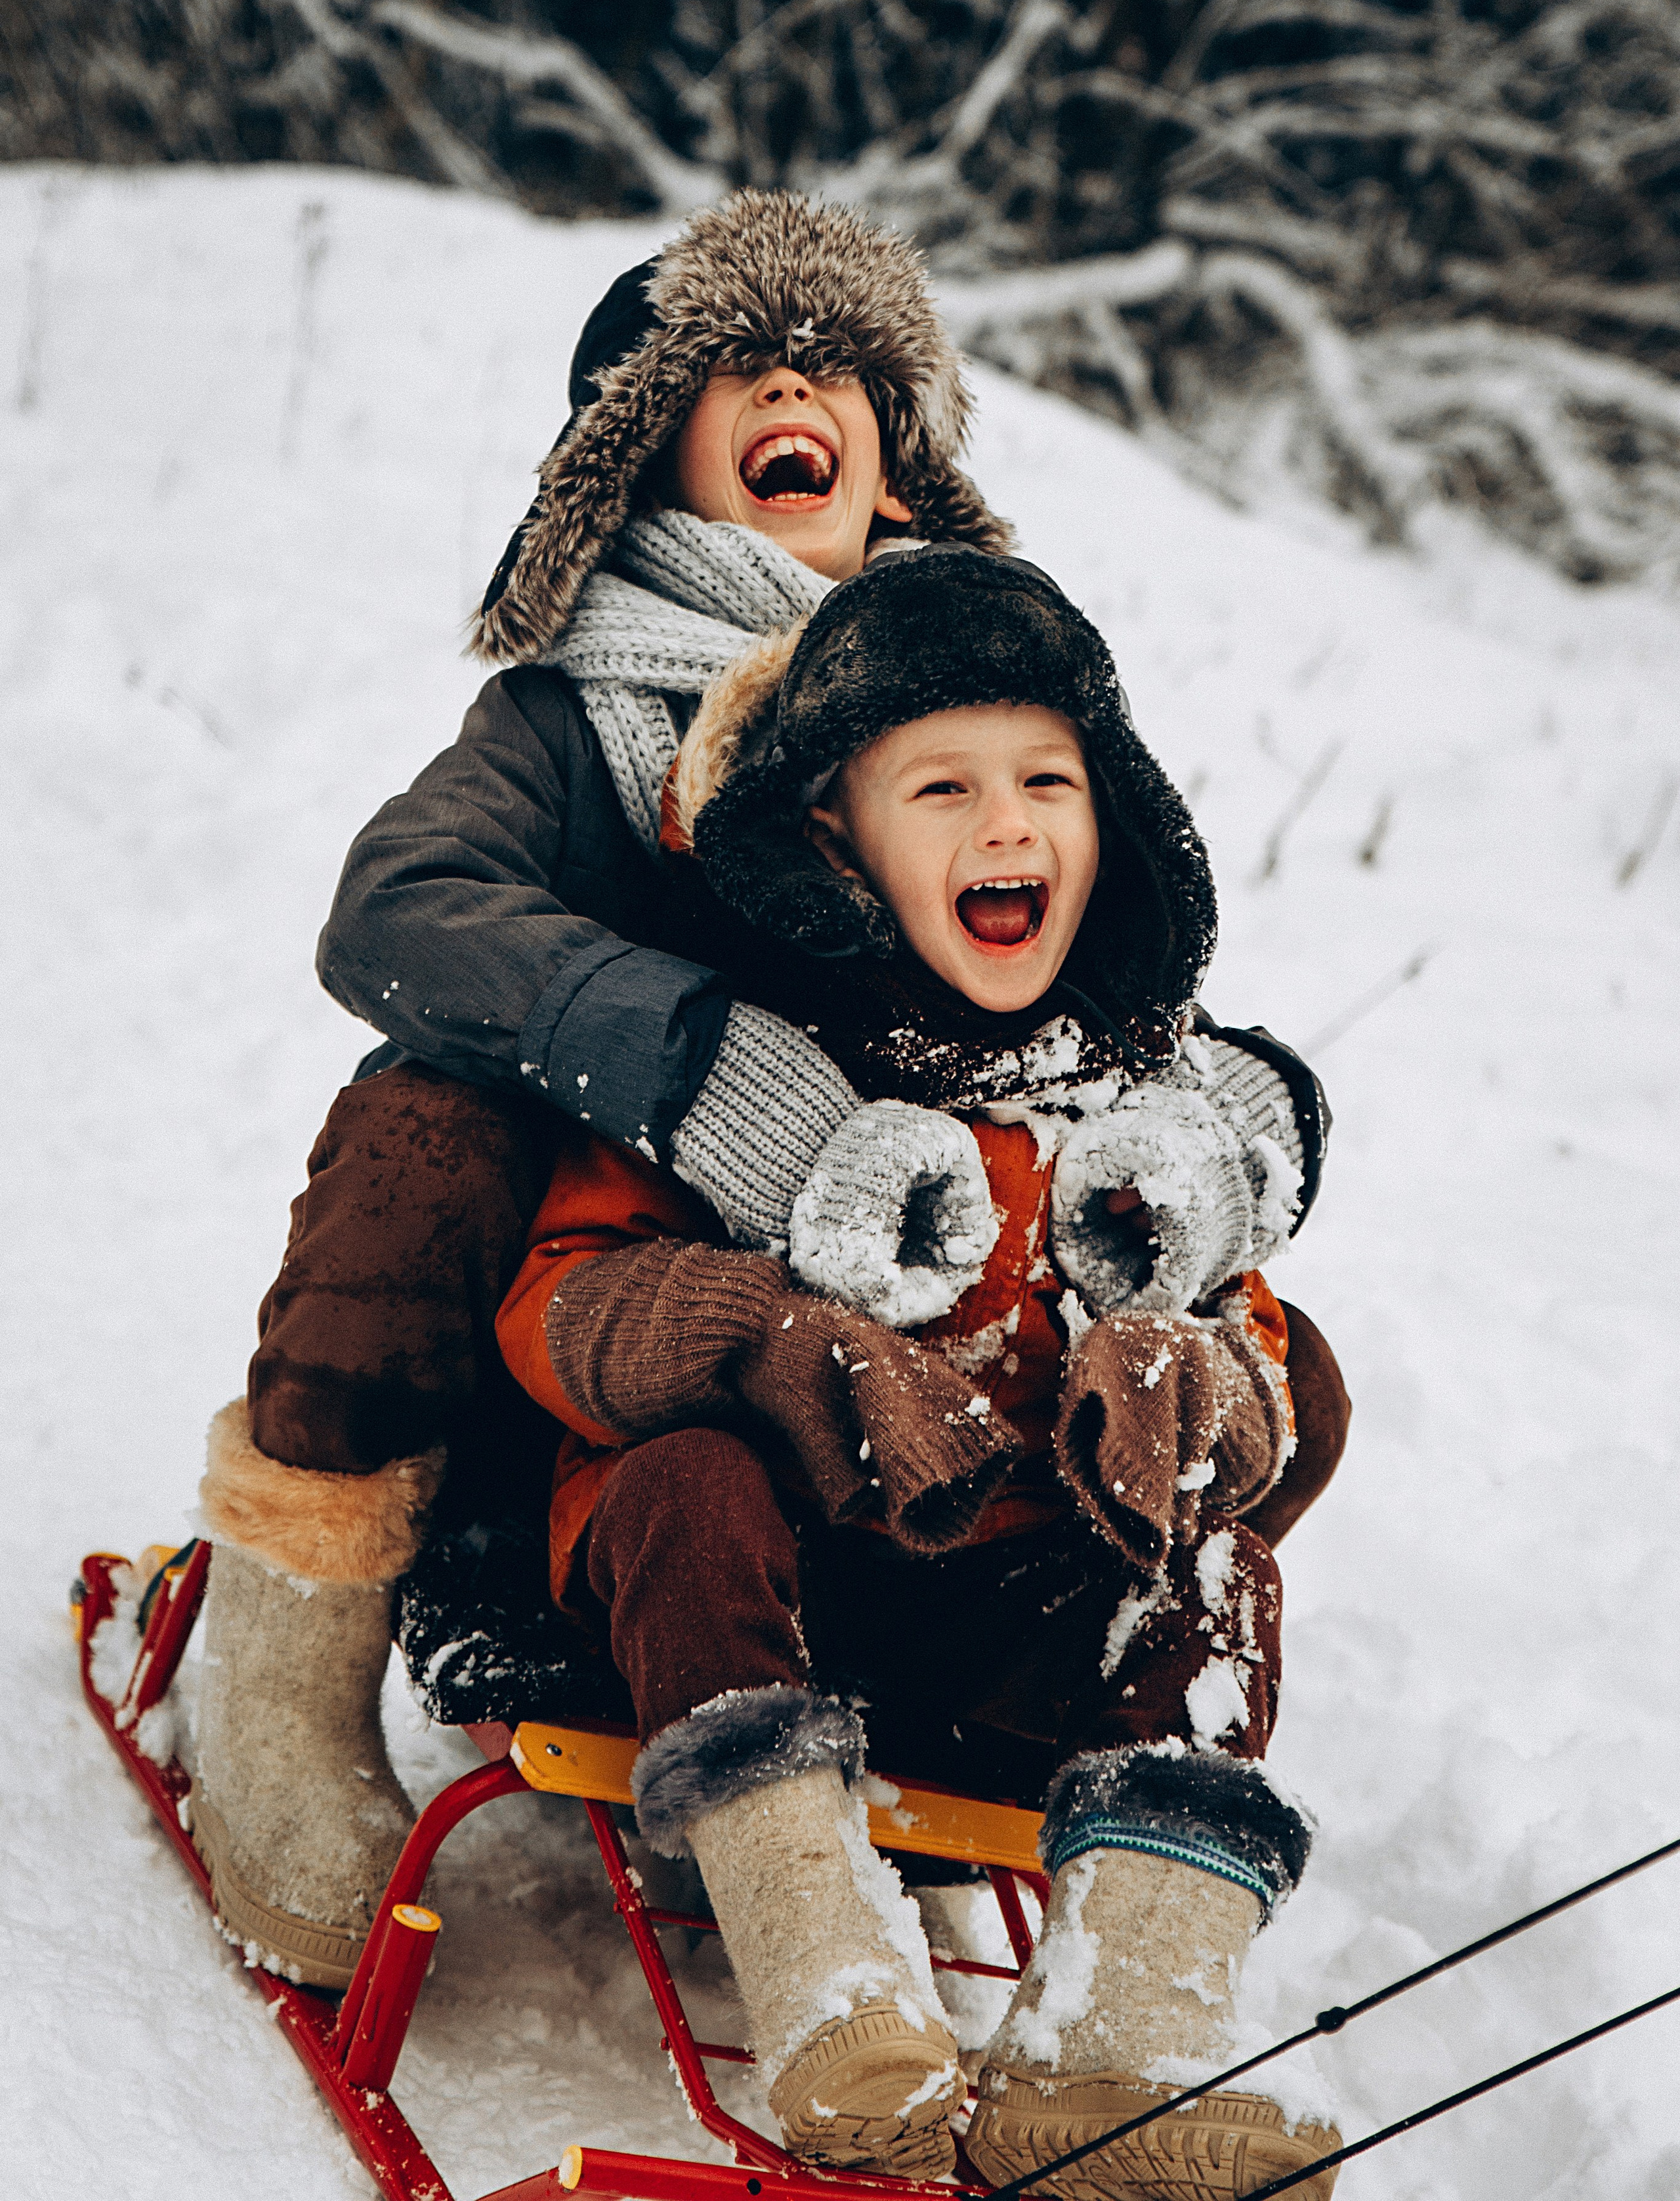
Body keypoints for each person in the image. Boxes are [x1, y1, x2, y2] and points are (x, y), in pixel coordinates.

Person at [184, 188, 1332, 2000]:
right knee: (423, 1128)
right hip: (601, 1291)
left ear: (897, 458)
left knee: (1225, 1327)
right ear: (638, 463)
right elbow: (395, 910)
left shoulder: (968, 684)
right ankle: (282, 1668)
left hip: (900, 1322)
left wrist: (1203, 1129)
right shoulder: (575, 721)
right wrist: (704, 1064)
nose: (793, 377)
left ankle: (971, 1656)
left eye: (840, 359)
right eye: (732, 361)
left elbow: (1097, 959)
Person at [495, 548, 1350, 2198]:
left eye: (1049, 781)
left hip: (990, 1618)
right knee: (685, 1480)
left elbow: (1257, 1356)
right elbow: (562, 1305)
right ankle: (829, 1996)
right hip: (737, 1608)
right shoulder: (754, 1062)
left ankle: (1110, 2055)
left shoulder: (1143, 1105)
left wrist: (1199, 1385)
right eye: (941, 786)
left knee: (1210, 1580)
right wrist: (768, 1332)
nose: (1007, 826)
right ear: (835, 829)